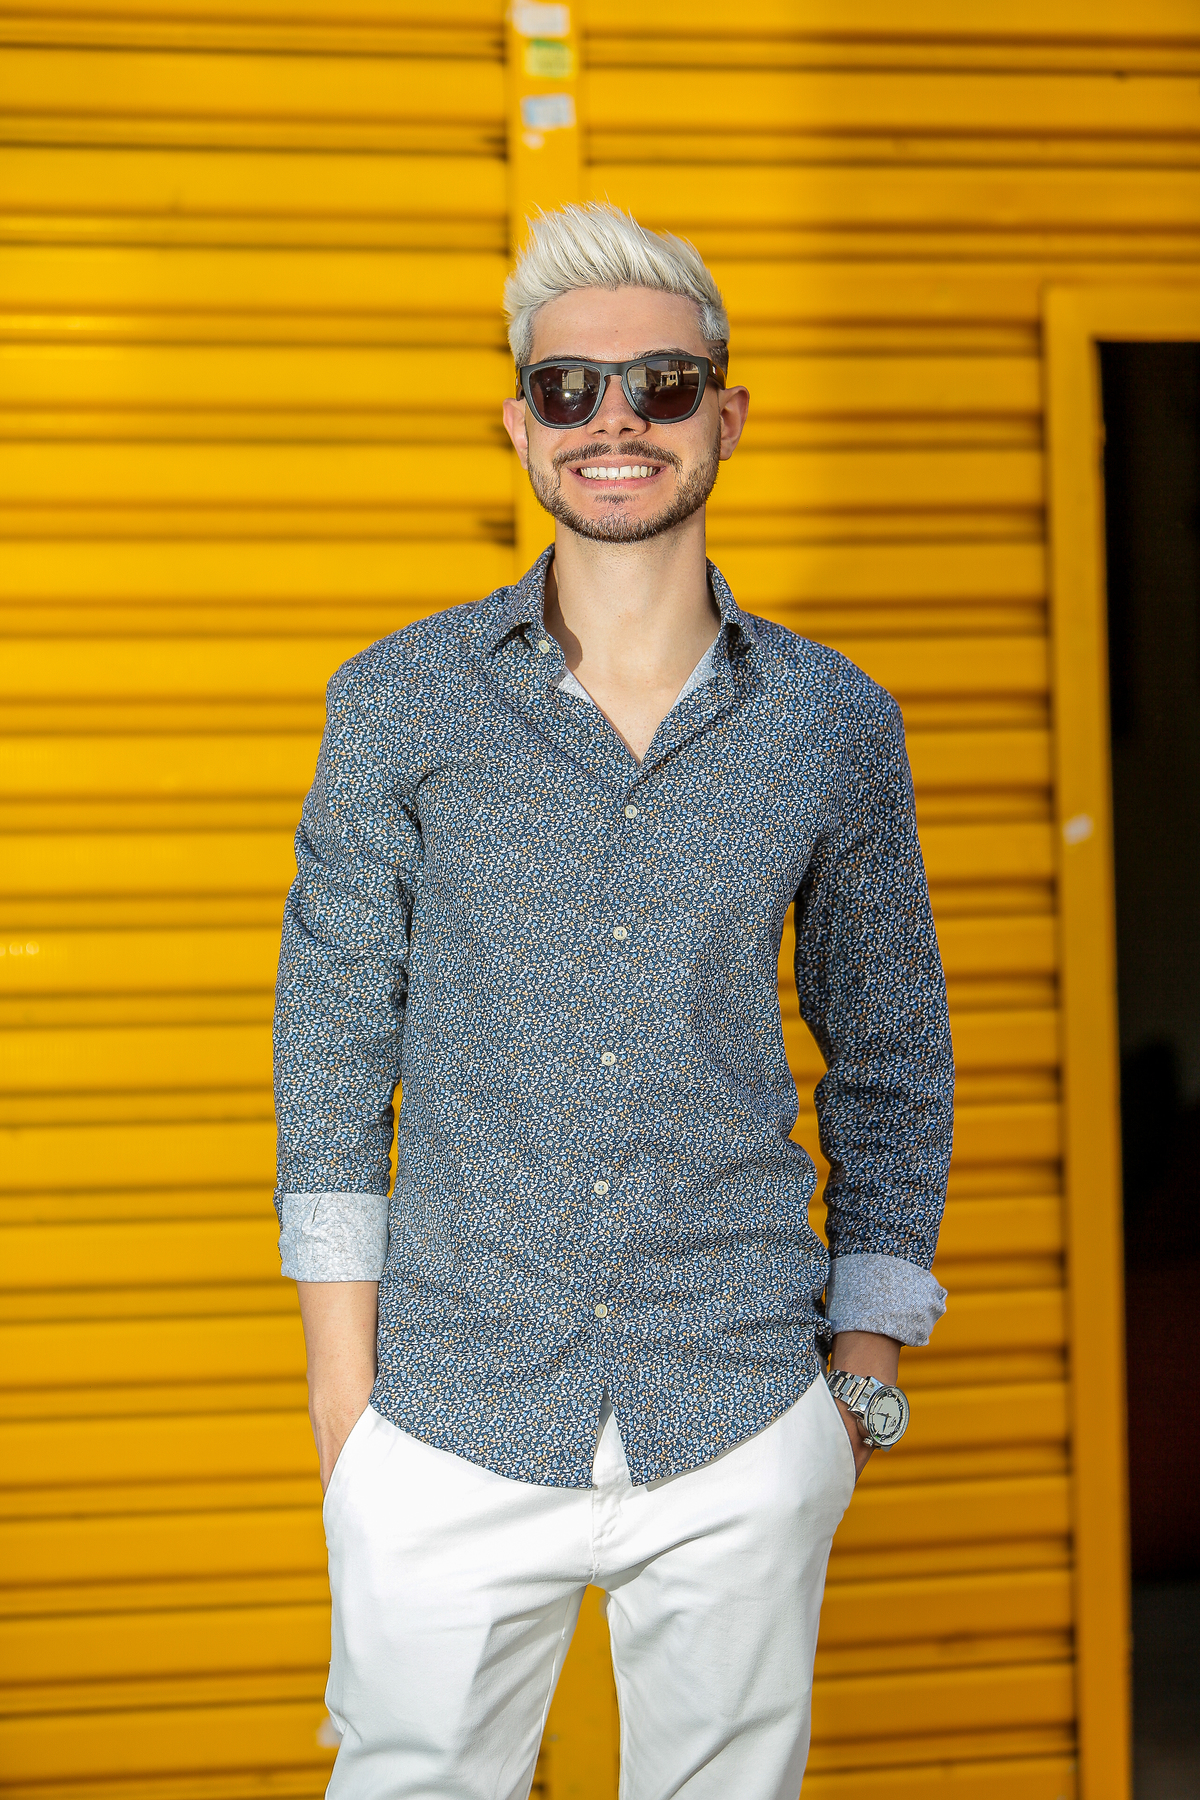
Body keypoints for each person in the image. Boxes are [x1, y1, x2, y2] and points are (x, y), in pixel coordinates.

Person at [273, 202, 954, 1800]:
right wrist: (345, 1408)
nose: (617, 421)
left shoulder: (834, 723)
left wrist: (858, 1382)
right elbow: (331, 1044)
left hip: (740, 1406)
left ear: (727, 413)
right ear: (520, 424)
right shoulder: (398, 701)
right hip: (445, 1411)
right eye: (569, 390)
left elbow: (892, 1053)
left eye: (662, 383)